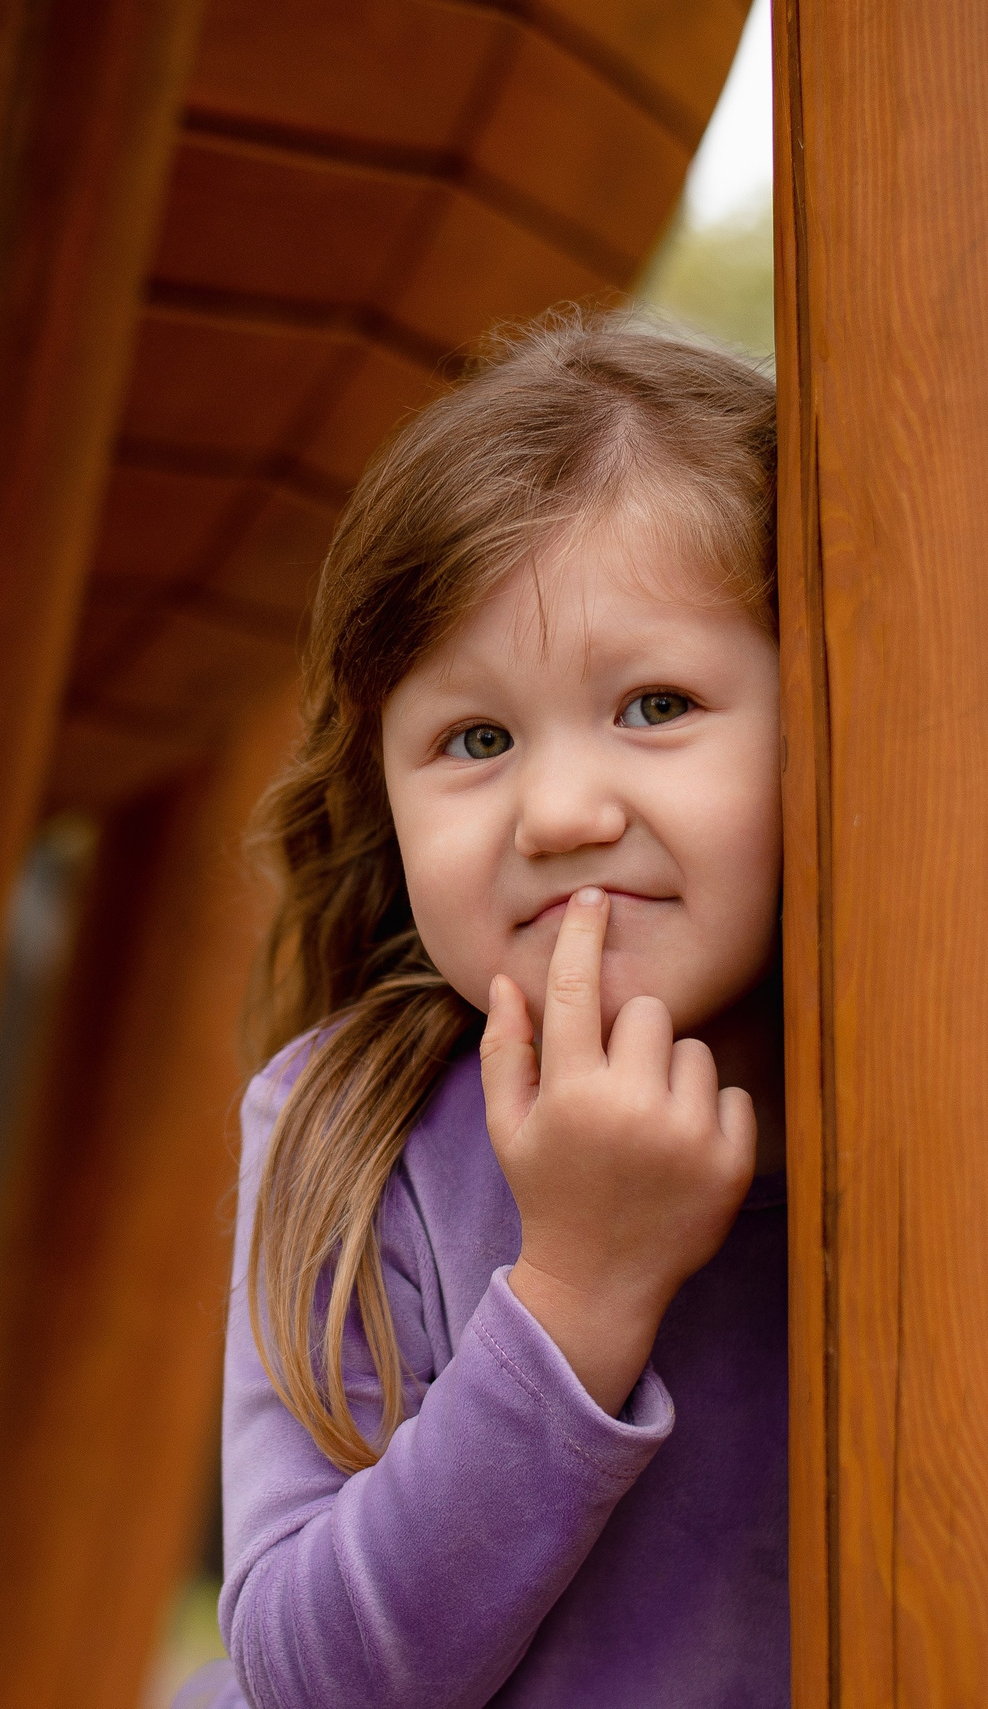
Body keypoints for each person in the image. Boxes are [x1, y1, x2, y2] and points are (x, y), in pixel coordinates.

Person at [177, 309, 786, 1709]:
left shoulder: (941, 1091)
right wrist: (580, 1289)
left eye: (656, 705)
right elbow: (308, 1682)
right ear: (381, 795)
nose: (561, 812)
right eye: (477, 738)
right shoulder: (349, 1129)